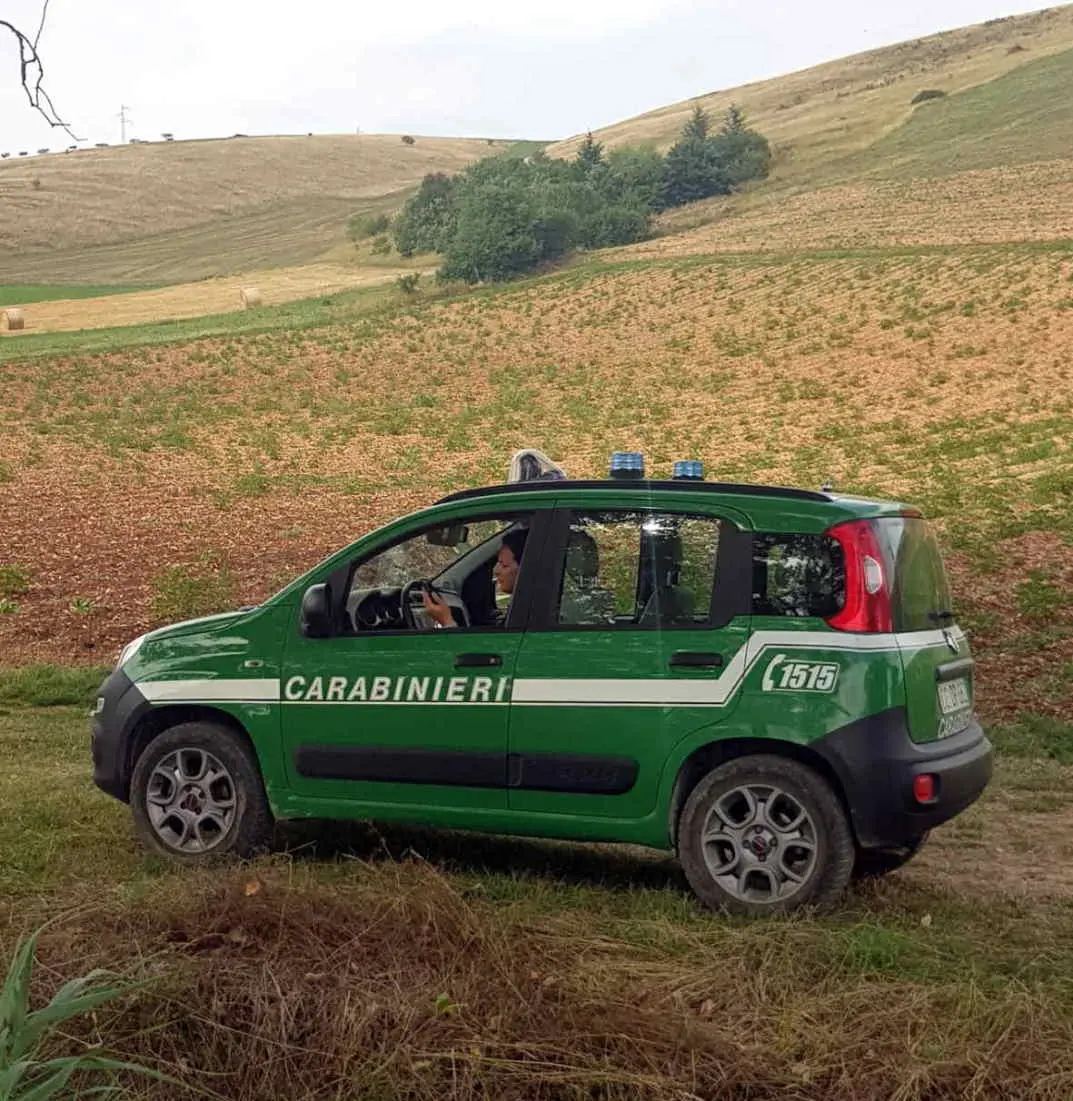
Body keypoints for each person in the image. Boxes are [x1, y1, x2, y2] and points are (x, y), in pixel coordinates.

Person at [422, 527, 527, 628]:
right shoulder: (524, 608)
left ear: (525, 568)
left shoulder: (526, 615)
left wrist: (447, 621)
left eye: (504, 565)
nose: (496, 571)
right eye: (497, 563)